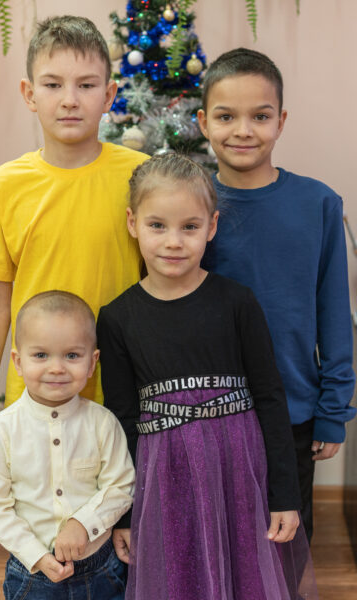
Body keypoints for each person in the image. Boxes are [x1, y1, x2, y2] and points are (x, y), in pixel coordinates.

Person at [96, 153, 318, 600]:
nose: (173, 242)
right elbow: (121, 419)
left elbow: (270, 397)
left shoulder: (237, 302)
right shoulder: (117, 318)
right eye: (157, 225)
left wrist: (284, 495)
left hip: (239, 470)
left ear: (211, 227)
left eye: (190, 227)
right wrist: (124, 514)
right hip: (165, 476)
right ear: (133, 223)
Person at [0, 15, 147, 441]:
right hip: (36, 402)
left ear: (109, 94)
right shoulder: (1, 188)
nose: (69, 100)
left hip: (126, 396)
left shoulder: (142, 178)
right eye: (53, 84)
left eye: (86, 84)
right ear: (29, 93)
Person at [197, 47, 356, 543]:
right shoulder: (189, 208)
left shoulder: (318, 204)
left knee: (284, 544)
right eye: (226, 116)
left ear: (281, 121)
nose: (243, 130)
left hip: (293, 411)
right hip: (210, 411)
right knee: (221, 544)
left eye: (260, 116)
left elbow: (334, 313)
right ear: (203, 123)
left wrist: (333, 411)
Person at [0, 290, 135, 600]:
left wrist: (83, 524)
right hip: (31, 574)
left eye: (72, 355)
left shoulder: (103, 423)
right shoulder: (0, 431)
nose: (57, 368)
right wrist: (35, 554)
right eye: (41, 355)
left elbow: (122, 485)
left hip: (102, 572)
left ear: (92, 362)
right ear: (18, 362)